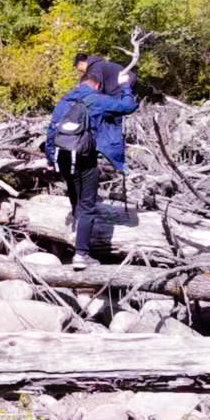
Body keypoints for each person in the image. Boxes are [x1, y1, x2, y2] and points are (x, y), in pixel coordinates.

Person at [44, 67, 139, 270]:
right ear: (96, 84)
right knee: (88, 205)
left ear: (81, 83)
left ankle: (78, 232)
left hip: (62, 155)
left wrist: (50, 158)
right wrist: (124, 86)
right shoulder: (97, 99)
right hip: (84, 158)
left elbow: (52, 129)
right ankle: (81, 255)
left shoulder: (64, 101)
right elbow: (128, 106)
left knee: (75, 196)